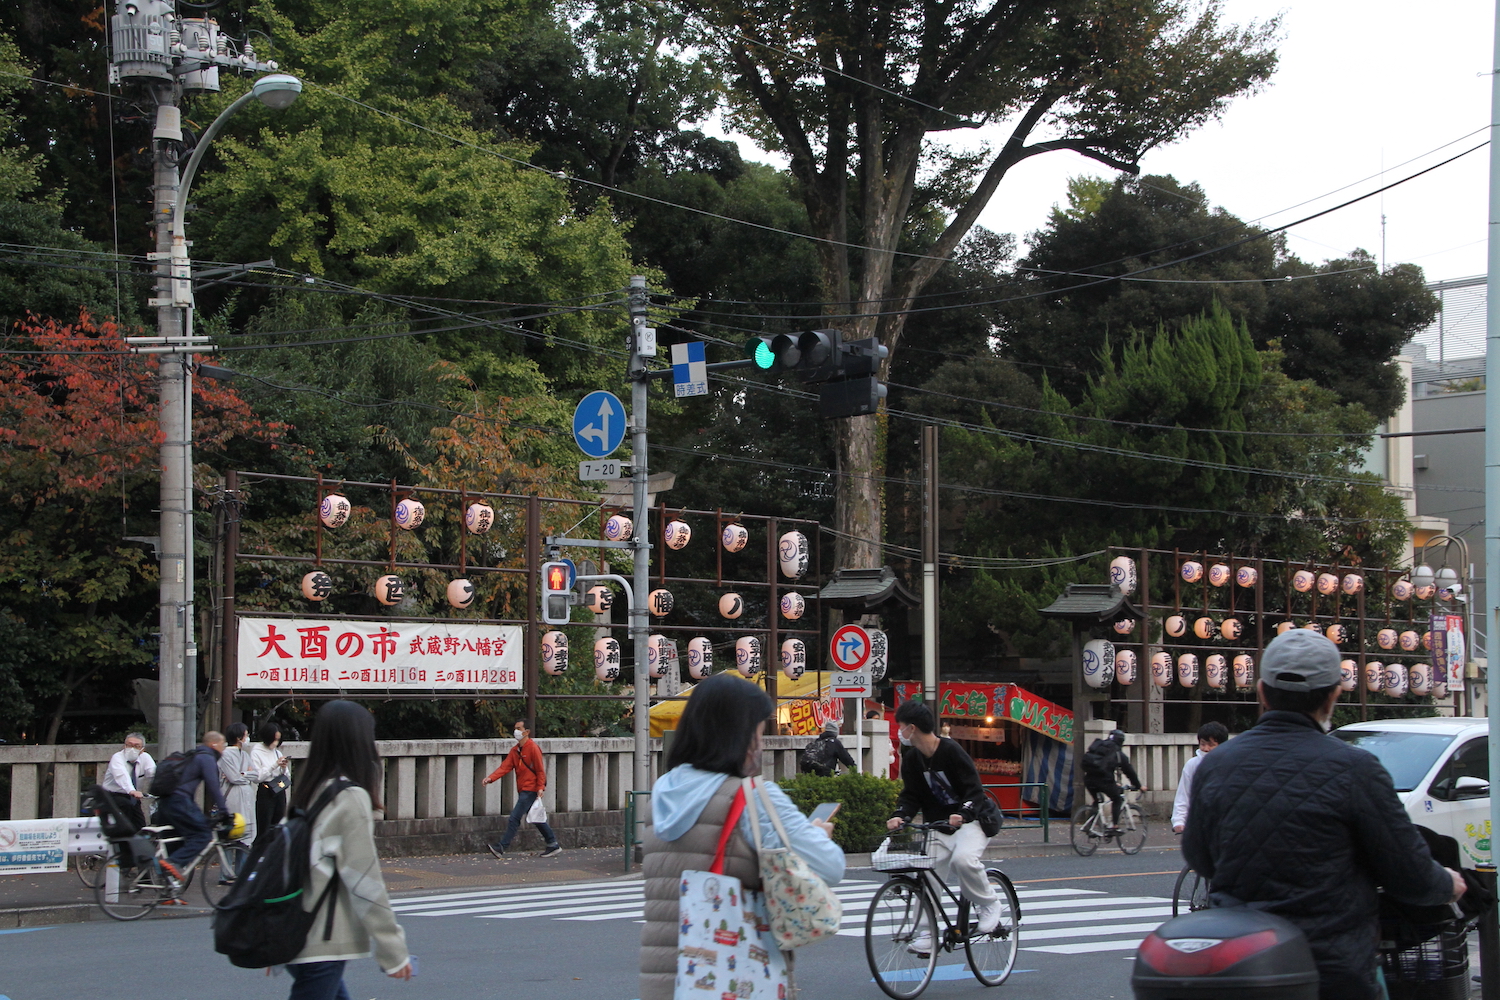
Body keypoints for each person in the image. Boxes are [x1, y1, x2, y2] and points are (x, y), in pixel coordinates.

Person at [1183, 629, 1466, 1000]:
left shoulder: (1215, 765)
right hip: (1331, 969)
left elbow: (1199, 856)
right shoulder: (1356, 768)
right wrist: (1448, 884)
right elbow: (1408, 872)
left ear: (1263, 692)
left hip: (1240, 966)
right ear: (1334, 694)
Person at [639, 673, 844, 1000]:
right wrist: (819, 835)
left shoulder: (660, 796)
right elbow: (831, 867)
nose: (761, 743)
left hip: (669, 984)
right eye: (759, 731)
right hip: (736, 980)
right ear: (741, 736)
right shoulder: (754, 798)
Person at [286, 699, 411, 997]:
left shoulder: (310, 788)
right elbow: (364, 879)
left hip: (295, 930)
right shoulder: (349, 797)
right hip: (322, 938)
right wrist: (394, 951)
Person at [886, 700, 1002, 946]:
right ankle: (928, 931)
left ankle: (989, 903)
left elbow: (975, 790)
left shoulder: (951, 750)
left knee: (963, 860)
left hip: (973, 821)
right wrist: (900, 815)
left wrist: (964, 813)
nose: (899, 731)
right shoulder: (913, 758)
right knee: (927, 872)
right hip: (939, 825)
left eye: (901, 726)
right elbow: (911, 795)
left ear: (912, 728)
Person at [153, 731, 229, 881]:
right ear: (214, 744)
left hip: (164, 803)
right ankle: (173, 863)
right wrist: (224, 811)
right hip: (179, 802)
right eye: (223, 745)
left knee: (176, 843)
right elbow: (213, 787)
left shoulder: (192, 756)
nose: (224, 749)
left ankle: (167, 890)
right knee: (203, 835)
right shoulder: (206, 758)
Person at [481, 720, 561, 858]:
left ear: (527, 732)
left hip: (530, 789)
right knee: (536, 818)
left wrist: (540, 787)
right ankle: (552, 843)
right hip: (524, 788)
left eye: (519, 728)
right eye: (515, 728)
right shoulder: (516, 750)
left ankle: (502, 847)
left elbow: (540, 770)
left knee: (515, 818)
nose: (516, 731)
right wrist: (491, 778)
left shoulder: (533, 748)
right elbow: (505, 767)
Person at [1081, 728, 1143, 833]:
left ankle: (1089, 825)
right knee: (1117, 799)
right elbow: (1129, 771)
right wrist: (1138, 785)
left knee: (1097, 801)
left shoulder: (1098, 746)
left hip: (1088, 779)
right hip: (1104, 781)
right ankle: (1115, 826)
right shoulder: (1118, 754)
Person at [1171, 721, 1228, 834]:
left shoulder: (1230, 763)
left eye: (1211, 745)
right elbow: (1184, 794)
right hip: (1199, 823)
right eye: (1202, 744)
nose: (1206, 748)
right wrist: (1179, 821)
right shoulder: (1192, 764)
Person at [100, 733, 156, 832]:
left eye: (136, 746)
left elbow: (153, 773)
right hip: (112, 795)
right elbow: (121, 776)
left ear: (142, 750)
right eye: (129, 745)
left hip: (133, 797)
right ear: (124, 746)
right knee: (126, 812)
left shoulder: (145, 758)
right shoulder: (117, 757)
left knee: (141, 825)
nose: (132, 749)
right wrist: (131, 790)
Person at [250, 720, 291, 849]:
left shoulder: (277, 752)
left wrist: (283, 767)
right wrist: (275, 765)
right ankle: (260, 854)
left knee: (278, 825)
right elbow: (258, 776)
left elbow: (287, 776)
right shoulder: (256, 751)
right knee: (264, 825)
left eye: (278, 740)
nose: (276, 743)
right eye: (274, 740)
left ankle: (275, 853)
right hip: (266, 790)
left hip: (278, 789)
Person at [217, 722, 258, 853]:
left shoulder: (245, 755)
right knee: (231, 836)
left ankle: (241, 872)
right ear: (238, 738)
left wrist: (243, 774)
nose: (247, 738)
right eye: (246, 735)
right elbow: (234, 777)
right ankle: (227, 873)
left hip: (246, 798)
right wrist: (246, 774)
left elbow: (256, 774)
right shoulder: (225, 755)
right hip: (233, 798)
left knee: (245, 839)